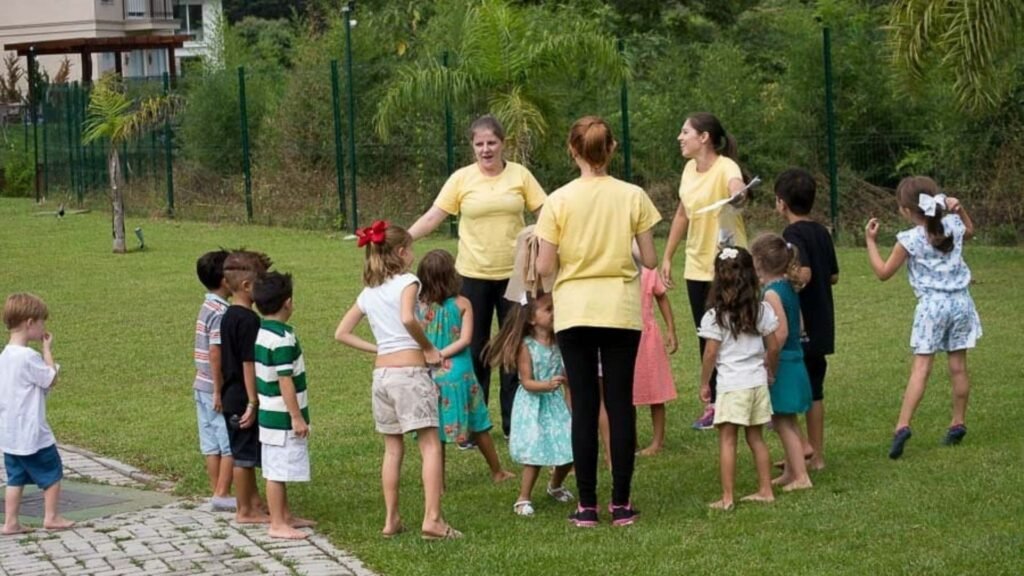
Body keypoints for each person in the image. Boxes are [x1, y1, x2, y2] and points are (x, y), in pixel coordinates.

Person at [535, 115, 661, 527]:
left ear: (573, 151)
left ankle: (586, 505)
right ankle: (621, 504)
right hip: (621, 309)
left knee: (585, 406)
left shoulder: (557, 200)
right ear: (611, 150)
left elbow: (546, 265)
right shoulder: (633, 196)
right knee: (621, 405)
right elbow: (651, 259)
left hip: (574, 310)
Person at [408, 115, 547, 438]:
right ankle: (475, 425)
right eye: (479, 144)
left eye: (492, 143)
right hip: (471, 276)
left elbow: (547, 213)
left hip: (515, 279)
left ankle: (516, 424)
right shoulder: (461, 179)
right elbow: (433, 216)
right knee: (476, 351)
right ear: (472, 146)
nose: (486, 150)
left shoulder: (520, 176)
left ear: (503, 144)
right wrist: (403, 240)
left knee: (514, 347)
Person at [335, 221, 461, 540]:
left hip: (382, 376)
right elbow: (407, 317)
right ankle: (433, 520)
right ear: (402, 253)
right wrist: (429, 348)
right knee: (430, 444)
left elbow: (342, 333)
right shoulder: (408, 281)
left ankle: (392, 519)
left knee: (393, 449)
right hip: (409, 374)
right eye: (411, 250)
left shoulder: (369, 292)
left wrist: (377, 347)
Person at [865, 176, 980, 459]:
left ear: (905, 210)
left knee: (921, 369)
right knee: (958, 366)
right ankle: (958, 422)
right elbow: (970, 230)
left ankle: (903, 425)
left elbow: (883, 272)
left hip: (932, 308)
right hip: (962, 304)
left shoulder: (909, 240)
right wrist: (960, 209)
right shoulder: (952, 225)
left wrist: (870, 241)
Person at [660, 112, 751, 430]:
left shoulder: (727, 167)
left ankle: (753, 397)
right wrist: (668, 256)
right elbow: (683, 214)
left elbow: (737, 190)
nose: (679, 137)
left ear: (704, 138)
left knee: (741, 328)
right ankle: (713, 404)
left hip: (730, 264)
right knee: (707, 335)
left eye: (685, 132)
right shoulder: (688, 169)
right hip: (697, 267)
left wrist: (739, 193)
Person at [414, 249, 515, 484]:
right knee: (478, 423)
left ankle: (438, 485)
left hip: (430, 373)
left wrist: (431, 355)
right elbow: (466, 340)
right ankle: (497, 471)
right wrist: (443, 354)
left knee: (434, 432)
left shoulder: (418, 307)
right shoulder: (463, 303)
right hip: (460, 373)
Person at [697, 248, 779, 510]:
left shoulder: (715, 316)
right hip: (756, 382)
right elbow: (774, 346)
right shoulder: (761, 310)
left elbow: (711, 353)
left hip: (732, 386)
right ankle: (766, 490)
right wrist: (770, 370)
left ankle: (728, 497)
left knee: (727, 440)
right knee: (756, 439)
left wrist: (704, 383)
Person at [486, 293, 574, 517]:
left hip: (554, 403)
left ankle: (555, 484)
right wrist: (547, 384)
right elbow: (526, 382)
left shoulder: (559, 341)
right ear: (532, 319)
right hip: (534, 404)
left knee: (570, 449)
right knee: (535, 455)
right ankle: (523, 497)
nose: (555, 313)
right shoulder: (526, 346)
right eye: (548, 309)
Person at [776, 168, 839, 471]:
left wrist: (780, 279)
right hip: (824, 322)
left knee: (788, 386)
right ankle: (817, 454)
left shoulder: (791, 235)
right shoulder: (822, 232)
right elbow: (834, 275)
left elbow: (805, 273)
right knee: (815, 390)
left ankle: (800, 447)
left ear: (781, 203)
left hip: (802, 327)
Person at [0, 293, 74, 534]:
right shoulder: (28, 357)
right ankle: (51, 516)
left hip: (10, 434)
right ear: (30, 323)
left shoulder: (5, 356)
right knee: (52, 471)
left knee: (15, 478)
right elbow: (50, 378)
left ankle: (10, 521)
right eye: (42, 322)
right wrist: (47, 350)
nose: (44, 327)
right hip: (32, 432)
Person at [253, 271, 316, 540]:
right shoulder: (282, 340)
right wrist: (296, 416)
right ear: (288, 303)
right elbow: (285, 379)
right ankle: (277, 523)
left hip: (270, 414)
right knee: (277, 472)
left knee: (278, 467)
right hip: (281, 417)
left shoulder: (263, 332)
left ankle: (285, 515)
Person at [751, 234, 813, 491]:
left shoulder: (770, 294)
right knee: (788, 420)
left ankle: (801, 476)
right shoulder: (788, 287)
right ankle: (790, 471)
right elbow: (800, 324)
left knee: (783, 424)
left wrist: (770, 361)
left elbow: (784, 331)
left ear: (759, 262)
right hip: (796, 359)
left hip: (784, 364)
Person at [220, 250, 273, 525]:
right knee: (243, 457)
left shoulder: (228, 315)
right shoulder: (249, 320)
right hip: (242, 398)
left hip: (230, 394)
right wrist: (253, 401)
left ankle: (254, 503)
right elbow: (248, 363)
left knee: (247, 453)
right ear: (246, 286)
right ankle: (244, 511)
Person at [192, 249, 237, 512]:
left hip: (200, 384)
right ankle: (222, 492)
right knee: (228, 441)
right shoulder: (221, 311)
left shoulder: (206, 305)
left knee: (210, 442)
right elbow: (215, 351)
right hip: (214, 387)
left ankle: (217, 491)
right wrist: (220, 390)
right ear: (224, 279)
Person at [632, 243, 679, 456]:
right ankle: (627, 438)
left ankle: (657, 441)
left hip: (647, 338)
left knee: (655, 391)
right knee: (623, 392)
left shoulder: (648, 272)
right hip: (625, 336)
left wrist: (671, 329)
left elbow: (662, 298)